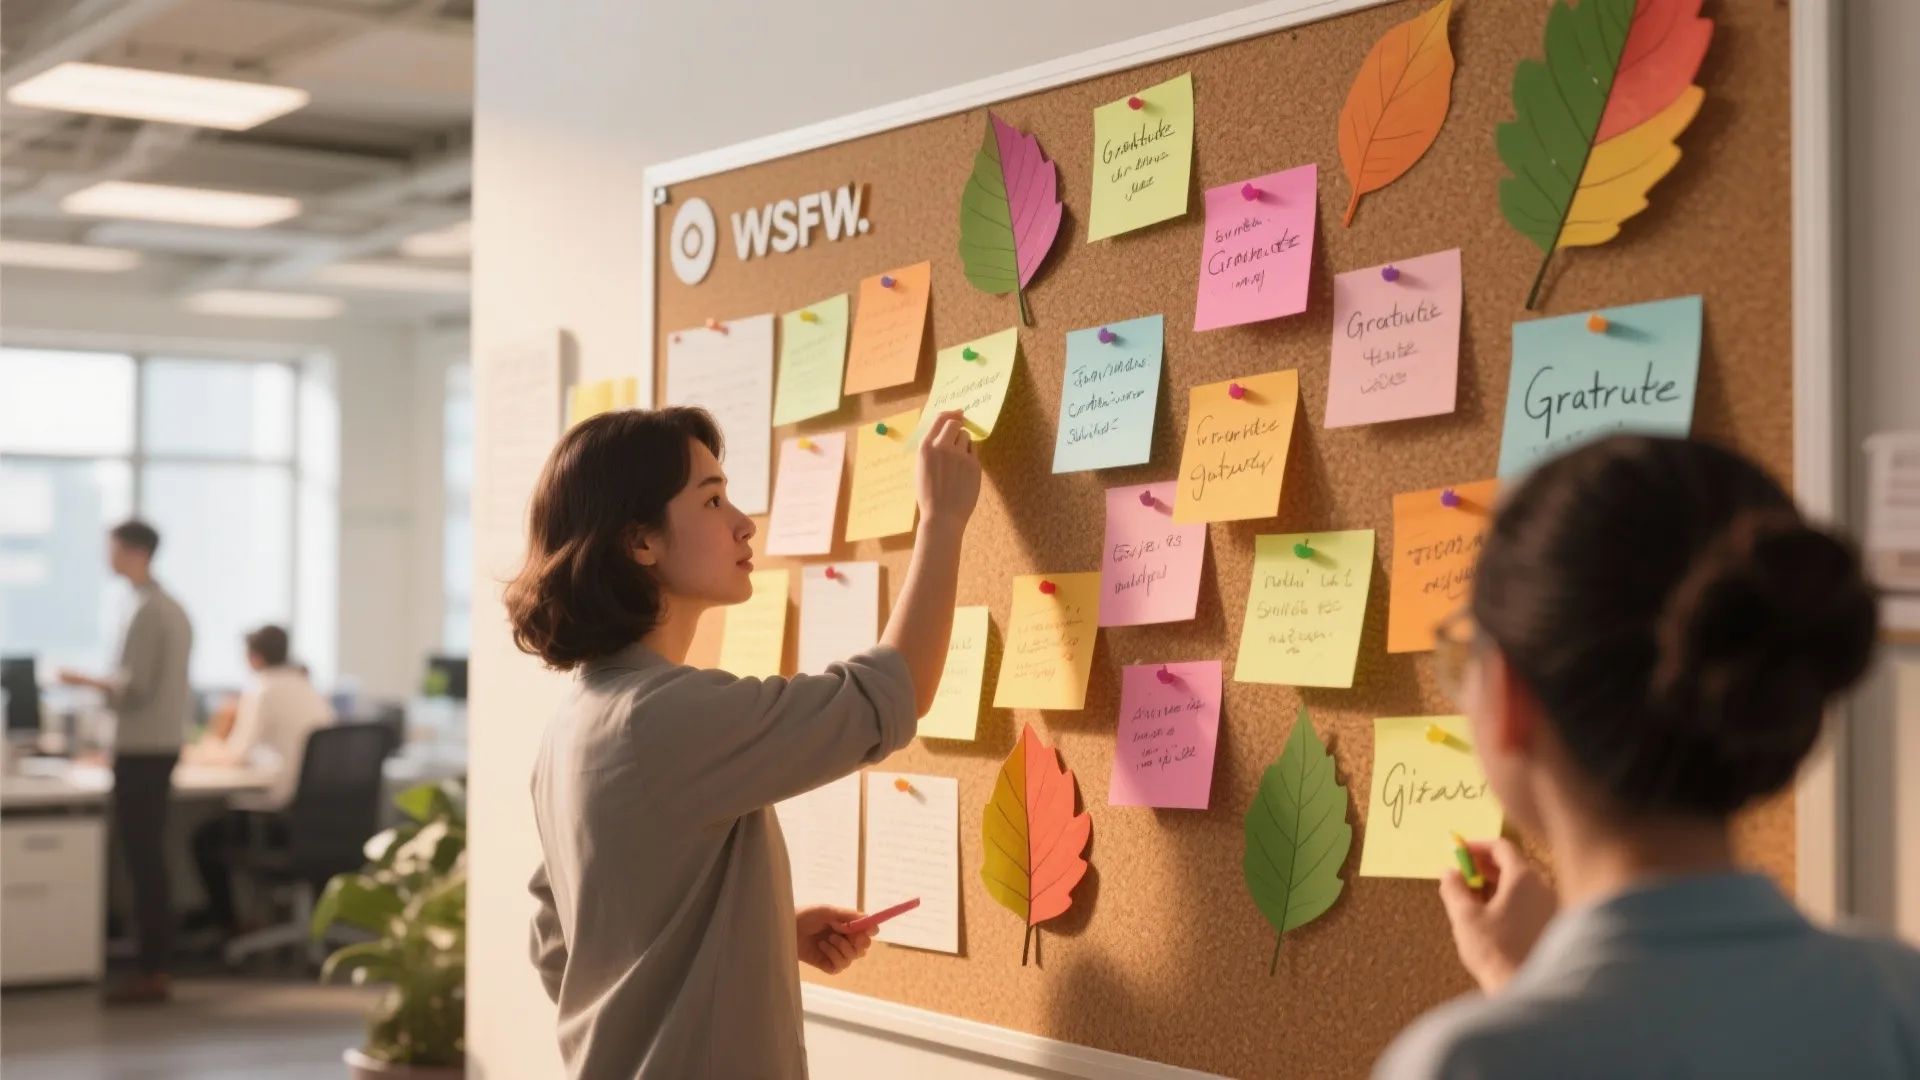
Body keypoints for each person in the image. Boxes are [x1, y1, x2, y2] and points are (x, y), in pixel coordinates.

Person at [1376, 435, 1920, 1078]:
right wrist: (1522, 985)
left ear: (1509, 696)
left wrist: (1526, 999)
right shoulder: (1896, 996)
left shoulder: (1464, 1062)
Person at [506, 406, 979, 1079]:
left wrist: (759, 935)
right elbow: (884, 699)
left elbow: (565, 946)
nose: (743, 522)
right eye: (712, 500)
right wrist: (942, 520)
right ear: (640, 542)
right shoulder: (661, 717)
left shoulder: (576, 720)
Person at [56, 519, 194, 1005]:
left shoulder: (148, 609)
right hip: (154, 745)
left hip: (143, 750)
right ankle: (155, 964)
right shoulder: (165, 605)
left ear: (135, 551)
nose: (106, 557)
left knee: (143, 858)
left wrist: (77, 680)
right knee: (147, 855)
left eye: (111, 548)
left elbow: (133, 687)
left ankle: (153, 969)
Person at [185, 625, 335, 937]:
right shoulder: (309, 688)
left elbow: (236, 754)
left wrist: (192, 753)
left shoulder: (262, 688)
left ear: (254, 657)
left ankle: (230, 927)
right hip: (323, 820)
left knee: (206, 838)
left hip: (282, 819)